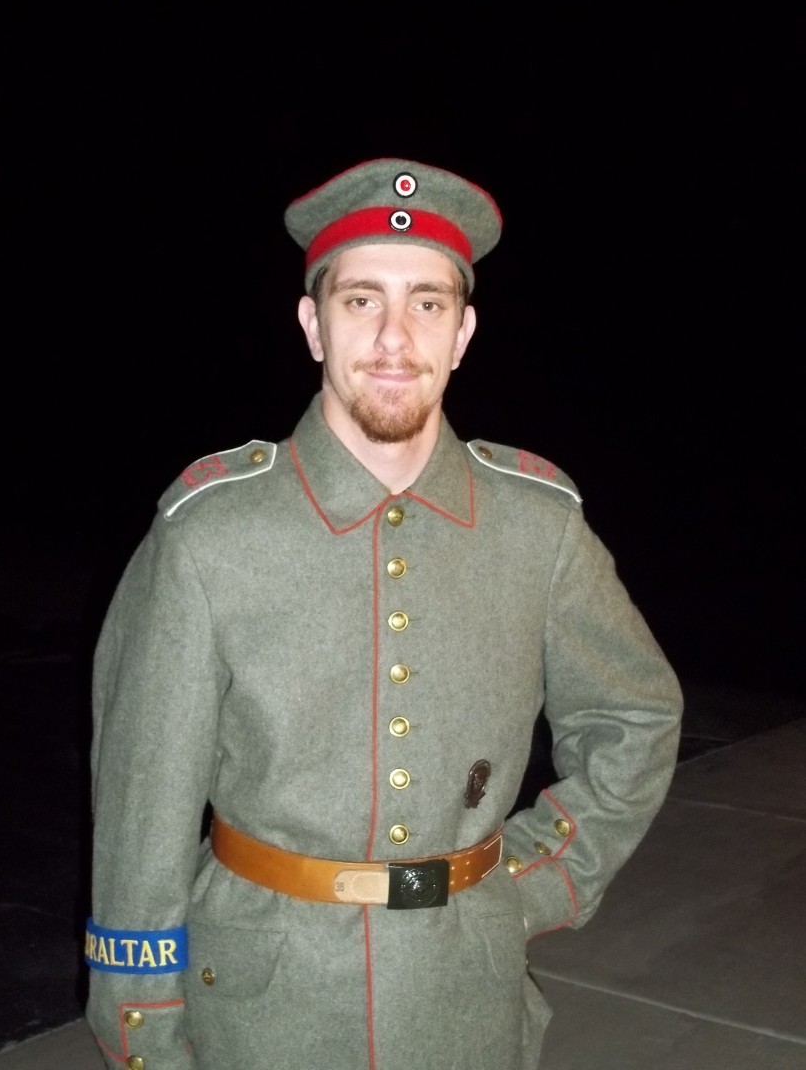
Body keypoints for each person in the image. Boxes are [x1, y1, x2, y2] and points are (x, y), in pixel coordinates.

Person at [85, 157, 683, 1070]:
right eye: (361, 300)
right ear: (312, 325)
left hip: (468, 1005)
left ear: (463, 333)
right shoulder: (211, 533)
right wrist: (143, 1025)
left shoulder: (537, 525)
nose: (395, 337)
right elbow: (141, 813)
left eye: (427, 303)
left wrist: (540, 879)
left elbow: (634, 715)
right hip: (261, 1014)